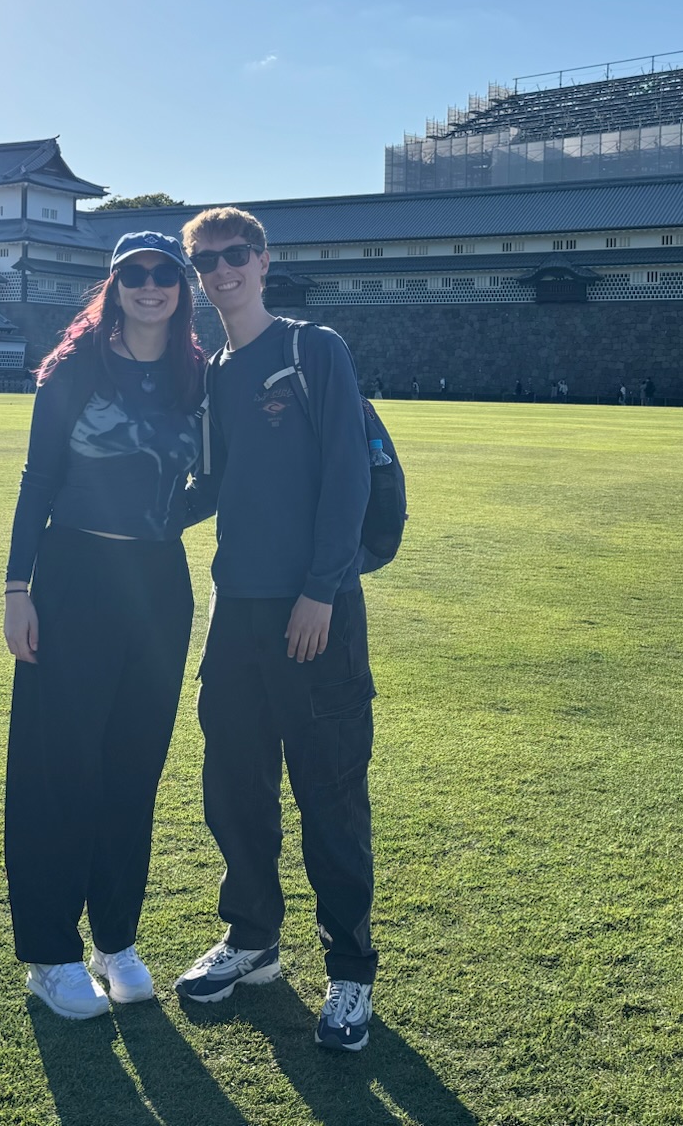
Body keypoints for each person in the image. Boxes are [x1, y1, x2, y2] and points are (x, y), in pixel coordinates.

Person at [175, 207, 380, 1052]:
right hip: (238, 612)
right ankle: (252, 939)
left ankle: (350, 975)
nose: (221, 273)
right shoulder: (214, 369)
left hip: (315, 609)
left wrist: (321, 590)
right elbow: (209, 486)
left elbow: (346, 476)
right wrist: (104, 517)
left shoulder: (311, 349)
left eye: (233, 257)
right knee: (235, 785)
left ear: (263, 261)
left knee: (329, 790)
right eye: (205, 263)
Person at [1, 231, 209, 1021]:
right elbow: (38, 480)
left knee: (133, 769)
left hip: (159, 584)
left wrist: (162, 516)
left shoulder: (198, 375)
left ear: (180, 288)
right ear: (114, 284)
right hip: (75, 576)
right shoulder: (73, 367)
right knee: (60, 769)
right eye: (135, 275)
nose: (150, 286)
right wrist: (18, 587)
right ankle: (51, 956)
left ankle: (115, 939)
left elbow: (214, 479)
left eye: (163, 274)